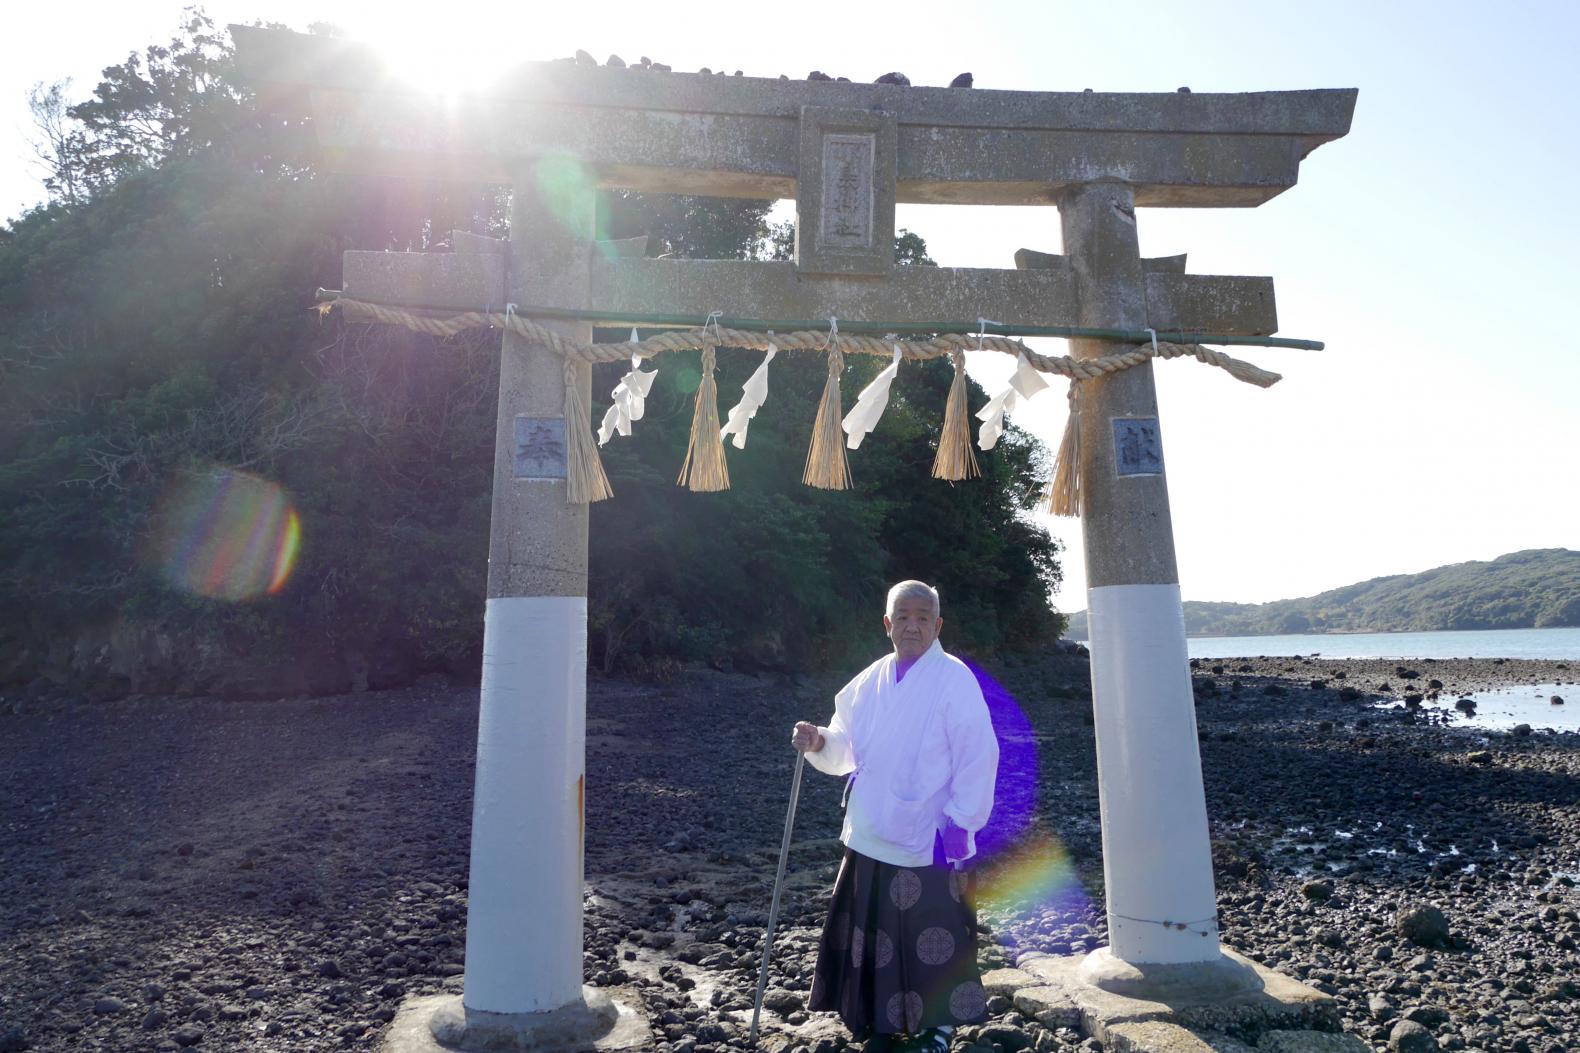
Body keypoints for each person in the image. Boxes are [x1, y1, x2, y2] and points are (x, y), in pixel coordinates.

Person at [791, 580, 999, 1053]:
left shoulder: (954, 679)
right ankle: (877, 1020)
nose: (912, 625)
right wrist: (819, 741)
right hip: (872, 827)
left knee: (935, 936)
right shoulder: (870, 680)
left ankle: (939, 1027)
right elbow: (845, 742)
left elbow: (978, 755)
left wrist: (963, 820)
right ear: (887, 624)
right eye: (903, 616)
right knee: (875, 934)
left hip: (930, 833)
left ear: (938, 624)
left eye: (923, 617)